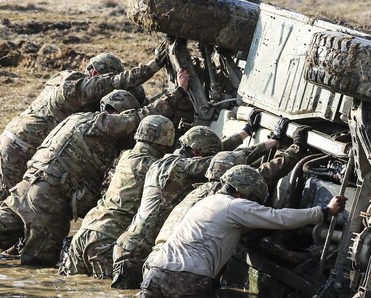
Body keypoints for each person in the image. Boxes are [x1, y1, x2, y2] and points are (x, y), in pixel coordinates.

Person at [0, 70, 191, 267]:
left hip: (23, 192)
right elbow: (143, 116)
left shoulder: (75, 119)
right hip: (48, 205)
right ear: (117, 113)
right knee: (40, 266)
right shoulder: (100, 124)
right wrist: (178, 92)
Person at [0, 46, 169, 245]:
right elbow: (118, 82)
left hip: (13, 139)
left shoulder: (61, 78)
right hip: (22, 148)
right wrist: (154, 65)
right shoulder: (77, 87)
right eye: (103, 80)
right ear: (96, 73)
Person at [141, 164, 346, 298]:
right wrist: (324, 211)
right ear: (243, 193)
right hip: (188, 281)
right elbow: (279, 218)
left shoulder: (206, 202)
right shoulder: (235, 205)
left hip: (154, 277)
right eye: (253, 200)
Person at [109, 123, 260, 288]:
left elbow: (216, 155)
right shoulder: (180, 167)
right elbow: (220, 162)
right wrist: (264, 146)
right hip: (140, 249)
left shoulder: (161, 163)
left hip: (127, 243)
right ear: (196, 152)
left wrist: (244, 133)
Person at [58, 115, 176, 278]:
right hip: (107, 237)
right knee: (107, 294)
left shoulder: (124, 157)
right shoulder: (154, 166)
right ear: (166, 139)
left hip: (85, 231)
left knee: (72, 288)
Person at [151, 132, 305, 248]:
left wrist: (266, 144)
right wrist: (296, 148)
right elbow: (269, 170)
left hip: (161, 251)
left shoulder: (198, 191)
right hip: (182, 260)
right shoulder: (223, 198)